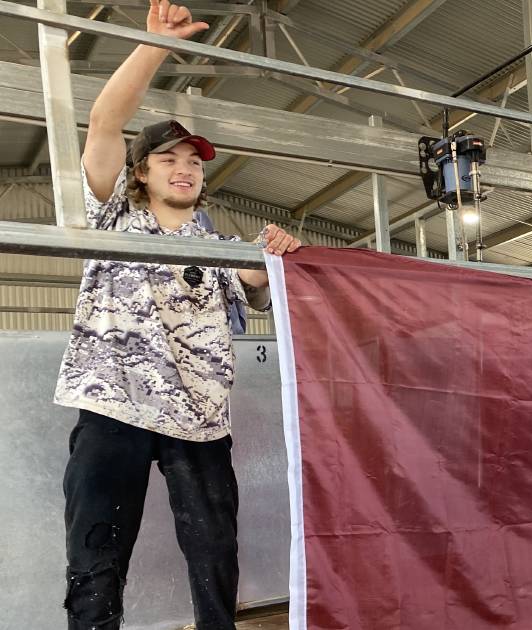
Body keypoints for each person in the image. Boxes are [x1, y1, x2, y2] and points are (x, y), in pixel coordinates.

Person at [53, 2, 301, 628]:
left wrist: (269, 265)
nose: (185, 168)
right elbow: (106, 121)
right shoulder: (116, 219)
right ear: (140, 173)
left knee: (215, 554)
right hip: (116, 407)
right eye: (169, 158)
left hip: (201, 421)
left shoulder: (219, 247)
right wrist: (153, 46)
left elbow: (259, 298)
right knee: (97, 552)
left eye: (194, 161)